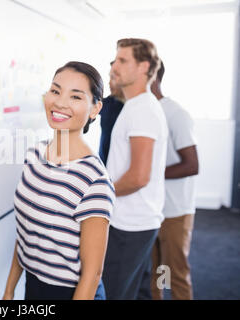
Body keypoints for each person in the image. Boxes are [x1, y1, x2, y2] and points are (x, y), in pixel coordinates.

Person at [3, 61, 114, 300]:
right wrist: (9, 289)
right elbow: (25, 232)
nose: (60, 103)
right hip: (33, 286)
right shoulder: (34, 156)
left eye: (75, 96)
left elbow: (92, 274)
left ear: (95, 109)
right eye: (55, 91)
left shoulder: (93, 180)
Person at [101, 38, 168, 300]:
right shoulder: (136, 106)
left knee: (114, 294)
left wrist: (98, 193)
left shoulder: (143, 109)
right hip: (136, 223)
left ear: (144, 67)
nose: (115, 66)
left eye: (122, 60)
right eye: (116, 59)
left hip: (129, 226)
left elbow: (139, 177)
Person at [150, 61, 199, 300]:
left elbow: (192, 164)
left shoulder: (176, 113)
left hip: (175, 212)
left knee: (174, 275)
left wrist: (146, 174)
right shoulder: (142, 111)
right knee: (157, 273)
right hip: (152, 209)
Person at [99, 61, 125, 165]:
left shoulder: (136, 109)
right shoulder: (108, 103)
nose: (109, 83)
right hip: (104, 167)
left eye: (113, 78)